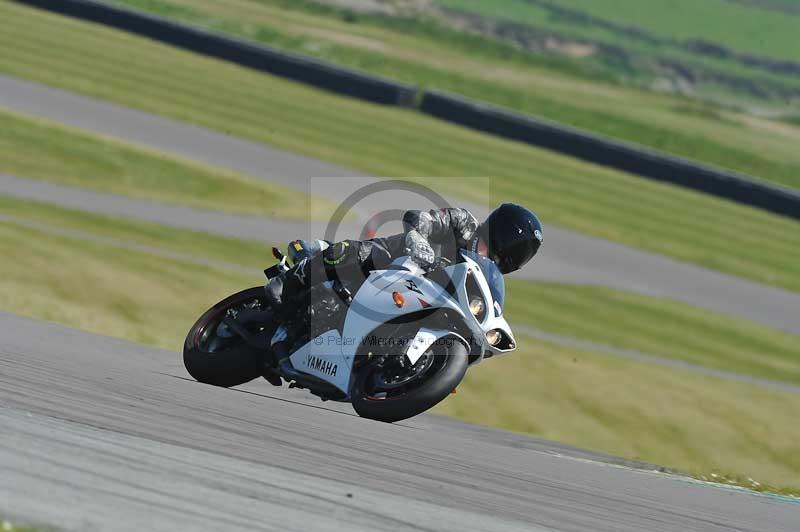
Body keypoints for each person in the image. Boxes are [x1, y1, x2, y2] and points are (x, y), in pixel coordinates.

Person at [262, 203, 542, 385]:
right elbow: (421, 217)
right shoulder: (464, 223)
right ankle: (289, 283)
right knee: (351, 254)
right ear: (505, 232)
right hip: (394, 261)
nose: (520, 255)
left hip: (418, 300)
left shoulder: (485, 275)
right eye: (522, 247)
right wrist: (419, 238)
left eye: (526, 252)